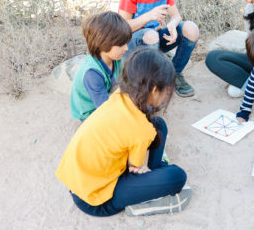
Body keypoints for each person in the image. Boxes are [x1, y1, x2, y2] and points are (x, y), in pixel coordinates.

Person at [56, 47, 192, 217]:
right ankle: (145, 199)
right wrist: (143, 170)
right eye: (167, 90)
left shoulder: (119, 95)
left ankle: (154, 174)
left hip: (81, 182)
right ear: (155, 90)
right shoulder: (140, 129)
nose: (167, 96)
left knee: (158, 125)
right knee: (177, 176)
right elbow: (135, 167)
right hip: (96, 201)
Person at [118, 0, 199, 97]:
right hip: (133, 45)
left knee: (191, 29)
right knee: (150, 35)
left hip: (155, 41)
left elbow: (176, 16)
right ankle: (151, 82)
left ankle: (174, 75)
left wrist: (172, 25)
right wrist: (150, 16)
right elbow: (122, 28)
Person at [70, 11, 131, 121]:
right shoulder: (92, 74)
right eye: (121, 44)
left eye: (126, 43)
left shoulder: (116, 58)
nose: (126, 48)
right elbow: (104, 109)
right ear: (102, 43)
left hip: (106, 98)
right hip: (91, 111)